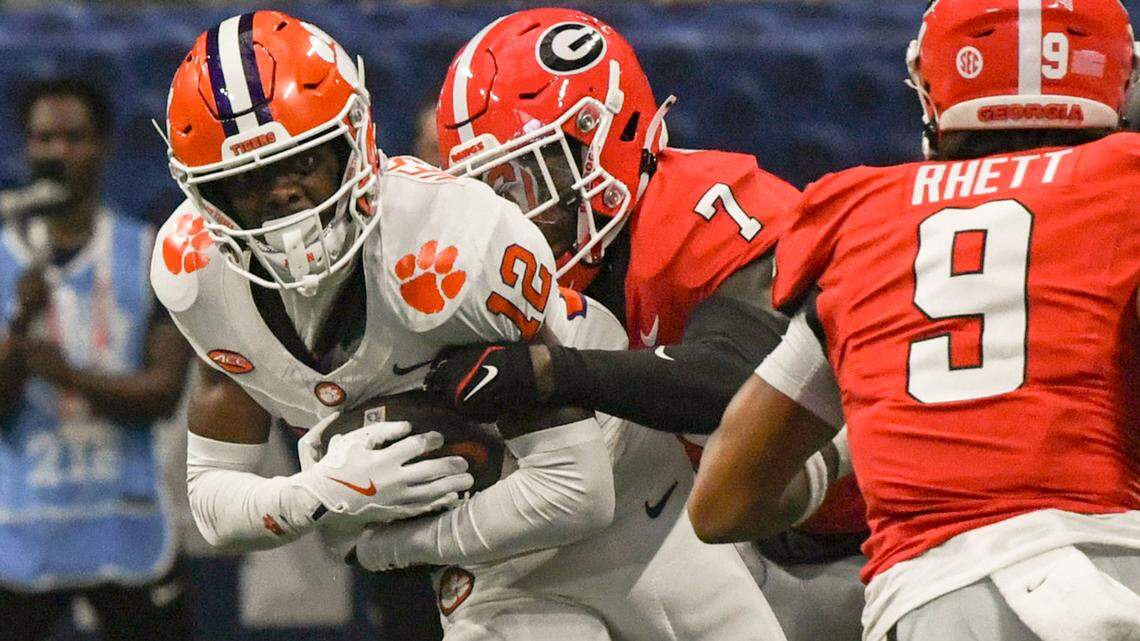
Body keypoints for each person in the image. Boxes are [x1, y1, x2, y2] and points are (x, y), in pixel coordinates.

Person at [155, 10, 623, 639]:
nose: (282, 194)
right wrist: (320, 494)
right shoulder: (198, 274)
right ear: (206, 198)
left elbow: (578, 488)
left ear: (355, 141)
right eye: (247, 180)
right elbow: (212, 500)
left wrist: (378, 546)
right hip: (476, 554)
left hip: (623, 482)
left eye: (304, 161)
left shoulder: (454, 242)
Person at [689, 2, 1140, 641]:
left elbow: (724, 501)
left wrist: (864, 445)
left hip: (932, 603)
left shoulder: (864, 220)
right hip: (1109, 578)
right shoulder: (1127, 185)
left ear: (936, 86)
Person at [422, 8, 864, 640]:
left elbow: (741, 383)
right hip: (720, 531)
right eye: (491, 189)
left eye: (533, 175)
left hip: (865, 535)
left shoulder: (712, 212)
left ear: (611, 138)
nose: (516, 213)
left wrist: (552, 372)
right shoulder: (493, 264)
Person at [0, 78, 193, 641]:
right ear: (26, 147)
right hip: (23, 527)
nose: (58, 152)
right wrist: (18, 324)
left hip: (124, 519)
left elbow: (160, 394)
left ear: (105, 145)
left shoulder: (147, 250)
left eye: (74, 137)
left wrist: (61, 371)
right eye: (44, 138)